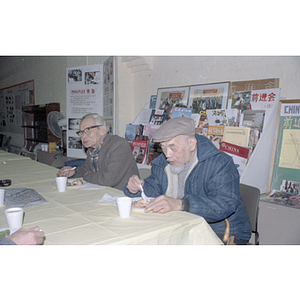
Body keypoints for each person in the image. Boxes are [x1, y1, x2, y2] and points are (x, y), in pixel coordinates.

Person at [124, 117, 252, 244]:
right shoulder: (164, 163)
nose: (167, 154)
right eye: (163, 147)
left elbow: (224, 204)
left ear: (191, 144)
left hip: (221, 232)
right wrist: (136, 188)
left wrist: (181, 204)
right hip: (180, 227)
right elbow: (153, 189)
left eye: (173, 148)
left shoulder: (220, 164)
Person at [57, 113, 139, 190]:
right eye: (81, 132)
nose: (83, 136)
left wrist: (87, 176)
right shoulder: (92, 147)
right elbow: (88, 169)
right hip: (100, 191)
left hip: (121, 195)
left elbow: (109, 179)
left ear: (102, 130)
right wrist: (73, 172)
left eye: (88, 130)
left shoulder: (119, 145)